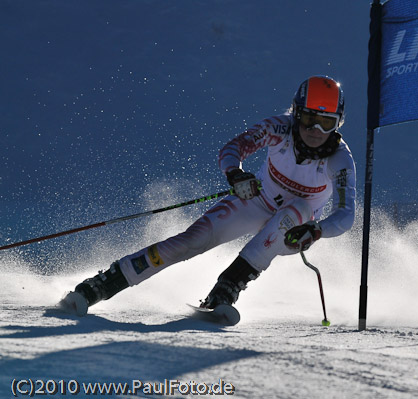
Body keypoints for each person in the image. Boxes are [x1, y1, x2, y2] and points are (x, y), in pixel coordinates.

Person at [63, 75, 356, 316]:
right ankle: (106, 283)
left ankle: (228, 287)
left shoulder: (340, 160)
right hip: (256, 200)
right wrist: (236, 175)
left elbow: (345, 215)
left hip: (295, 229)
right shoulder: (279, 129)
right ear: (296, 114)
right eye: (308, 119)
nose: (315, 130)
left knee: (296, 210)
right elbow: (234, 148)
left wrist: (316, 230)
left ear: (338, 123)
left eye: (326, 123)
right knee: (191, 241)